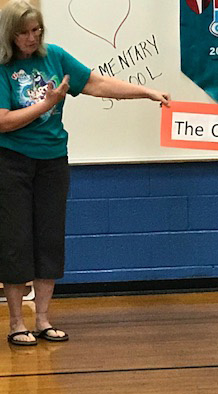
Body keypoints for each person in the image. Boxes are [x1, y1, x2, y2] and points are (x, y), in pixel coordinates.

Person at [0, 0, 171, 346]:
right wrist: (45, 106)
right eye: (25, 33)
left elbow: (96, 83)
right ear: (9, 35)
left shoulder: (56, 57)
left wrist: (146, 92)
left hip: (52, 162)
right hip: (12, 162)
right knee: (16, 241)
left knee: (49, 238)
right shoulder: (3, 68)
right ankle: (17, 322)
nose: (33, 38)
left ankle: (43, 319)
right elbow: (3, 122)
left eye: (37, 31)